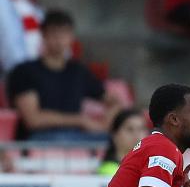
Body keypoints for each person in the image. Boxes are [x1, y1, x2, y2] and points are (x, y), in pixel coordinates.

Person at [6, 10, 120, 142]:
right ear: (43, 36)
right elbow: (33, 120)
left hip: (78, 138)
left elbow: (113, 101)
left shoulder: (78, 71)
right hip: (40, 139)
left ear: (72, 37)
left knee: (120, 141)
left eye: (64, 34)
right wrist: (80, 120)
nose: (59, 40)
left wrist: (105, 124)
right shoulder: (24, 71)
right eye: (54, 34)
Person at [98, 109, 150, 176]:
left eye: (141, 129)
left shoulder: (152, 167)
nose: (136, 134)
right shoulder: (107, 170)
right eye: (130, 129)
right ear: (115, 134)